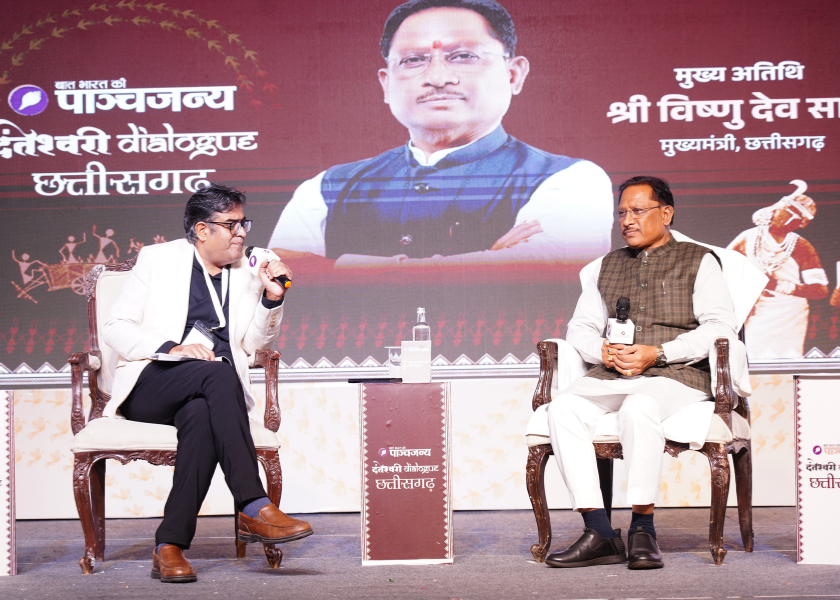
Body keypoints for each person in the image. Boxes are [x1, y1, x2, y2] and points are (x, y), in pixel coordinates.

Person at [268, 0, 612, 270]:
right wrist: (487, 261)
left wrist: (334, 267)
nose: (437, 77)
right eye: (413, 60)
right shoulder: (327, 189)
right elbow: (277, 280)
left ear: (513, 75)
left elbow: (546, 274)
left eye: (463, 56)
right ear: (386, 84)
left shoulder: (570, 180)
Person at [103, 184, 312, 584]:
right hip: (154, 381)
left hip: (210, 393)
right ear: (202, 230)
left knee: (200, 415)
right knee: (218, 371)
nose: (241, 233)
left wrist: (272, 298)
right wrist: (172, 348)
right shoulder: (158, 260)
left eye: (244, 223)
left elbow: (254, 345)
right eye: (231, 225)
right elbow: (116, 327)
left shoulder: (250, 270)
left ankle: (169, 546)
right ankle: (253, 505)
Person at [545, 176, 738, 570]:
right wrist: (600, 350)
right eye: (621, 213)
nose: (627, 220)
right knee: (561, 409)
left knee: (639, 405)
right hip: (612, 374)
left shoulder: (699, 260)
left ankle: (642, 528)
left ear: (665, 213)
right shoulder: (607, 265)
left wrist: (659, 353)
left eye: (637, 211)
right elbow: (580, 328)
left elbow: (720, 328)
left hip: (678, 376)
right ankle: (598, 531)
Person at [727, 190, 828, 359]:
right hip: (757, 309)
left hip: (789, 313)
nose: (787, 219)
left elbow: (820, 290)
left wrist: (778, 285)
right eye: (785, 211)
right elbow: (720, 266)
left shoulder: (800, 245)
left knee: (786, 359)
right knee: (753, 355)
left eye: (796, 218)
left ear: (801, 223)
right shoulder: (748, 238)